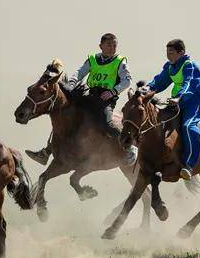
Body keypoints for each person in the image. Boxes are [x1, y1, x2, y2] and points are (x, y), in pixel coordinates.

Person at [26, 33, 137, 165]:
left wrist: (113, 92)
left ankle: (130, 147)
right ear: (101, 46)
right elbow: (80, 73)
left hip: (106, 99)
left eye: (114, 45)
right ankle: (46, 152)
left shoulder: (120, 61)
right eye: (109, 45)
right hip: (90, 95)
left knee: (107, 124)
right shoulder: (93, 59)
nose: (112, 48)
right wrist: (72, 83)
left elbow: (127, 81)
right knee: (66, 116)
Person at [143, 39, 200, 180]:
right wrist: (147, 88)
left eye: (171, 53)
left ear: (182, 52)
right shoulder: (170, 66)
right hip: (177, 103)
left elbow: (188, 83)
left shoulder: (190, 65)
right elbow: (160, 81)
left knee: (188, 127)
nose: (168, 55)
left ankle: (189, 165)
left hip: (193, 102)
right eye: (167, 52)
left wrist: (179, 97)